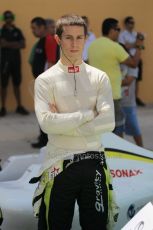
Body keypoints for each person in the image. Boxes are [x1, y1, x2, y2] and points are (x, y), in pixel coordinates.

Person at [30, 14, 118, 230]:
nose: (74, 44)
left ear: (86, 39)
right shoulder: (45, 80)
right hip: (58, 165)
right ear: (58, 40)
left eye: (80, 38)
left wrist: (62, 120)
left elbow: (109, 122)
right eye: (68, 38)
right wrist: (88, 114)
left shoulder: (100, 77)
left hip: (94, 164)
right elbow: (46, 124)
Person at [88, 18, 142, 136]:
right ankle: (117, 154)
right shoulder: (115, 47)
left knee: (101, 130)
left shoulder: (92, 46)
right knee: (117, 129)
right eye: (117, 29)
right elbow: (134, 63)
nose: (119, 32)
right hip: (112, 96)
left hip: (96, 96)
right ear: (111, 30)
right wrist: (138, 46)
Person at [30, 17, 59, 148]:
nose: (32, 31)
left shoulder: (49, 40)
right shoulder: (41, 41)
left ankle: (46, 141)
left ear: (42, 27)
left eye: (34, 28)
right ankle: (43, 138)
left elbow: (51, 62)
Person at [0, 10, 29, 116]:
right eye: (6, 17)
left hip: (16, 62)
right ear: (4, 19)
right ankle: (3, 108)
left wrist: (7, 43)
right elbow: (2, 44)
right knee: (3, 84)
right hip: (4, 62)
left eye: (10, 17)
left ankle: (19, 106)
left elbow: (23, 45)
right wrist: (16, 43)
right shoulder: (1, 31)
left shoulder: (18, 30)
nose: (8, 19)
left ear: (12, 18)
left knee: (17, 83)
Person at [118, 16, 145, 106]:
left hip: (137, 58)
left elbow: (141, 46)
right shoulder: (122, 34)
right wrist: (136, 43)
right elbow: (124, 47)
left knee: (137, 79)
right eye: (130, 22)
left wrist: (136, 44)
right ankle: (127, 98)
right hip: (127, 59)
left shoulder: (135, 34)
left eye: (133, 22)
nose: (132, 24)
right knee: (127, 79)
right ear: (126, 24)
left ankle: (135, 98)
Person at [120, 52, 143, 146]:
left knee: (134, 128)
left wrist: (111, 79)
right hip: (116, 101)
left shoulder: (133, 66)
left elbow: (128, 82)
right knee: (118, 130)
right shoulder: (116, 63)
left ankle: (141, 150)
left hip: (128, 103)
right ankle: (120, 152)